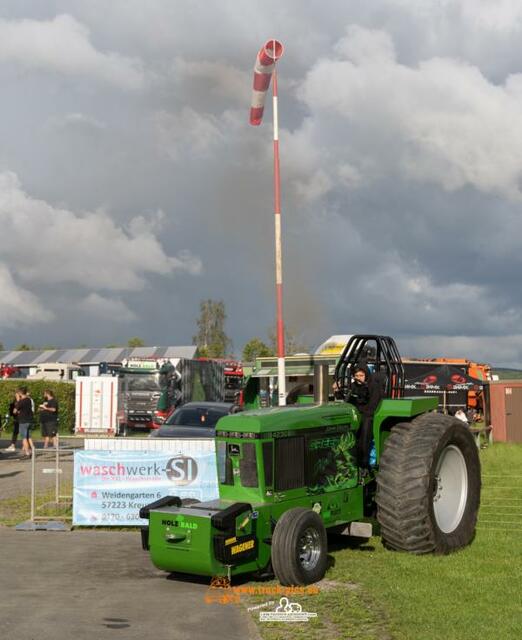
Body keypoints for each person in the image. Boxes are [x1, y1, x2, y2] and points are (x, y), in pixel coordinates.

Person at [14, 387, 34, 458]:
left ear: (20, 393)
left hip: (23, 421)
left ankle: (27, 453)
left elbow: (15, 411)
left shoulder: (21, 401)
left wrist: (17, 400)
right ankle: (32, 450)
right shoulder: (28, 400)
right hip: (30, 420)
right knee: (29, 436)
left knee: (24, 438)